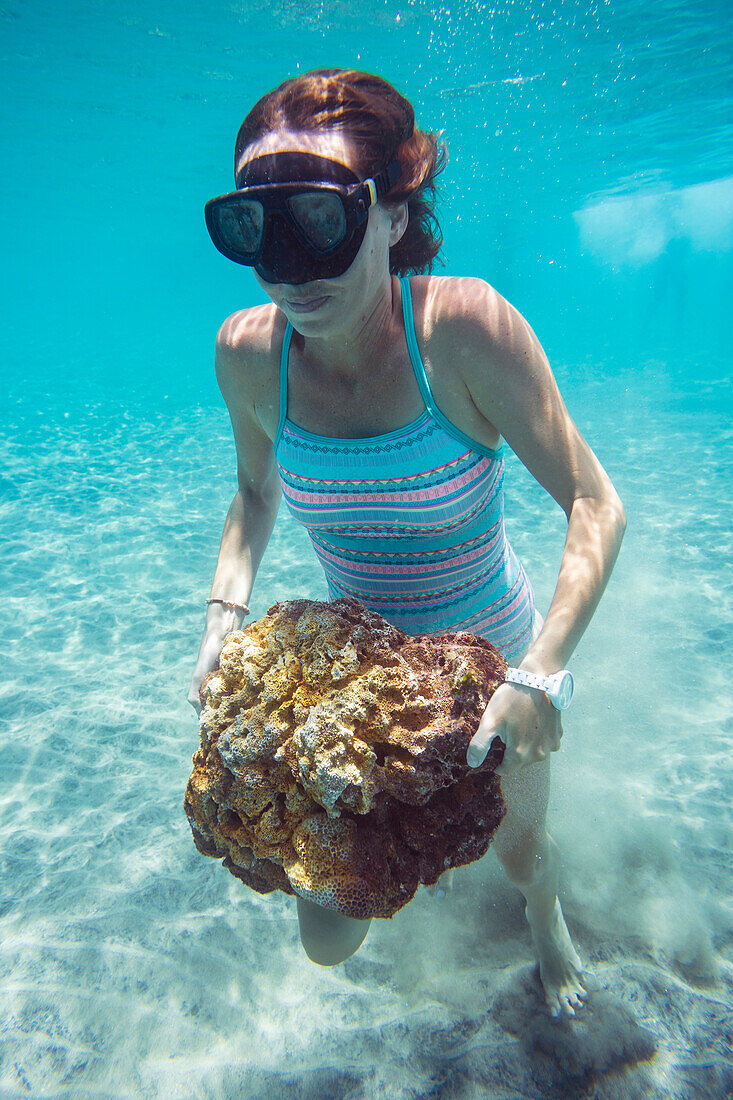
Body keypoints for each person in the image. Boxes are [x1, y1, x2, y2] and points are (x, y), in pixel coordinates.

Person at [188, 69, 626, 1019]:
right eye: (255, 229)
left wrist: (542, 674)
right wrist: (223, 614)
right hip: (354, 672)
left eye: (320, 218)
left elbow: (594, 503)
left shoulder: (464, 329)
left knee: (519, 852)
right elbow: (254, 494)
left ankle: (546, 922)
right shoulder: (246, 352)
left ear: (392, 214)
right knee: (328, 938)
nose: (290, 268)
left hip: (495, 659)